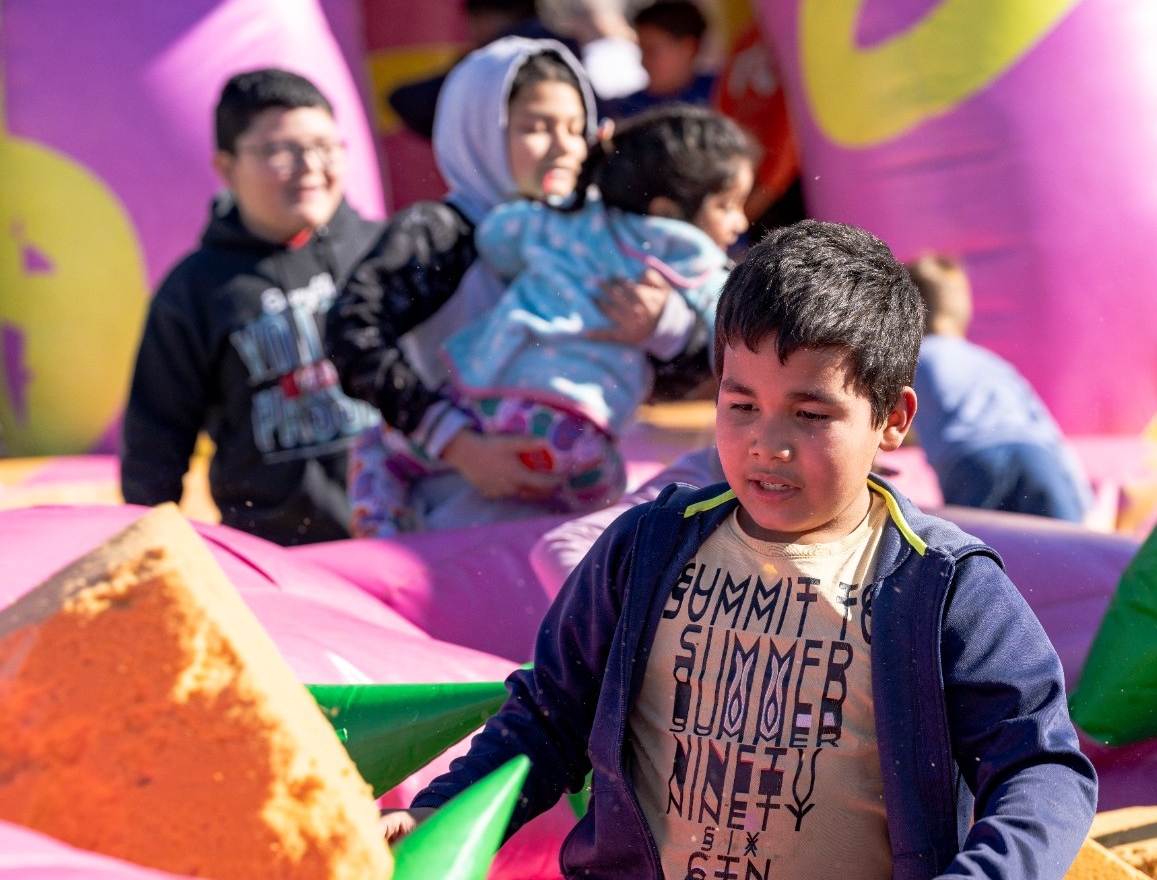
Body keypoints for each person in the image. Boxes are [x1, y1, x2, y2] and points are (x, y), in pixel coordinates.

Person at [379, 220, 1099, 876]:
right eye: (741, 405)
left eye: (810, 413)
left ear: (892, 418)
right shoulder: (651, 546)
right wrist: (437, 814)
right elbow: (547, 717)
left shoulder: (938, 585)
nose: (768, 443)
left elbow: (1041, 768)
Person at [329, 38, 707, 529]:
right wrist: (459, 444)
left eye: (576, 129)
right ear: (478, 129)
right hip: (447, 521)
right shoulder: (444, 234)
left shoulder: (597, 234)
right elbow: (351, 329)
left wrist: (663, 325)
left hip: (561, 520)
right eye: (535, 127)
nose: (564, 147)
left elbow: (685, 369)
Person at [121, 69, 381, 546]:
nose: (310, 166)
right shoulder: (197, 288)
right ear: (226, 168)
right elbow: (155, 443)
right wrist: (149, 549)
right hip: (276, 554)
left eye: (326, 147)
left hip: (406, 539)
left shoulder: (384, 252)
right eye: (281, 151)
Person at [907, 254, 1094, 522]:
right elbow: (1049, 434)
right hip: (1037, 458)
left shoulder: (916, 356)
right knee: (1067, 552)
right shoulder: (995, 365)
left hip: (972, 462)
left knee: (978, 557)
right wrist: (1082, 501)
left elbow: (894, 417)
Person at [387, 0, 582, 141]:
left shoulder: (503, 59)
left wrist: (470, 66)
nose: (472, 35)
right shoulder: (566, 53)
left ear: (485, 16)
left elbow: (413, 102)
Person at [599, 0, 716, 122]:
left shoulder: (721, 97)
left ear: (688, 48)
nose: (642, 61)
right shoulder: (620, 111)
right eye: (641, 50)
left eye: (652, 51)